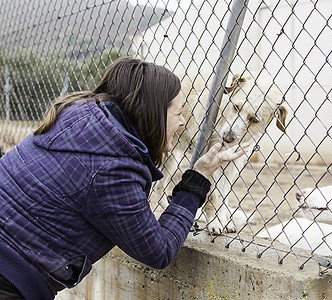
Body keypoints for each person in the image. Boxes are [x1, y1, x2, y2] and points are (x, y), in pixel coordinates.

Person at [0, 57, 249, 299]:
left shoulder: (77, 114)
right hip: (10, 279)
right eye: (178, 112)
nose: (184, 122)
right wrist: (197, 180)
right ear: (153, 113)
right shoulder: (114, 171)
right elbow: (159, 251)